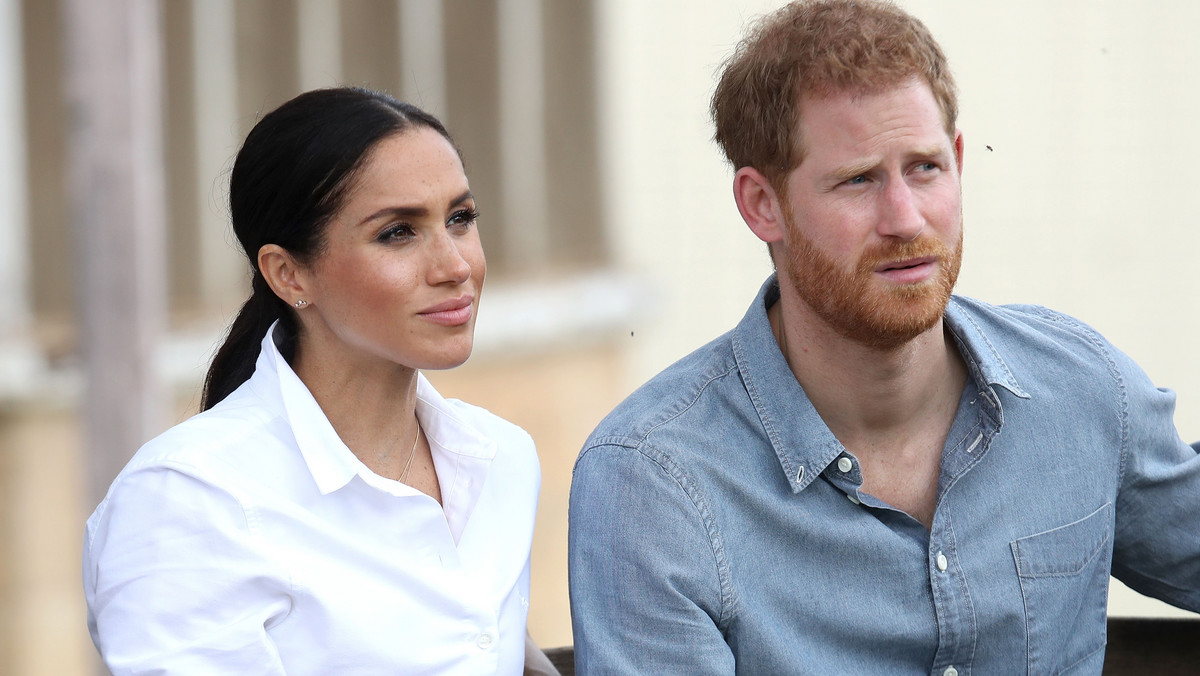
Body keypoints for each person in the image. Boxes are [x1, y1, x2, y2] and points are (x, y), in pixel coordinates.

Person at [567, 1, 1200, 673]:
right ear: (761, 204)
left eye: (925, 168)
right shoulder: (653, 484)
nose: (905, 218)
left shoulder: (1081, 391)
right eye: (858, 179)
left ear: (959, 160)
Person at [83, 87, 558, 676]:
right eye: (397, 232)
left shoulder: (501, 459)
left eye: (459, 219)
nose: (456, 266)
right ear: (287, 272)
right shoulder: (188, 500)